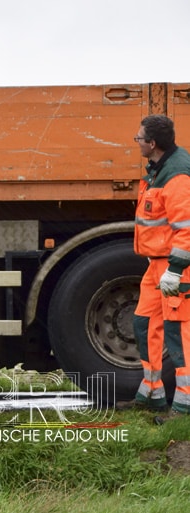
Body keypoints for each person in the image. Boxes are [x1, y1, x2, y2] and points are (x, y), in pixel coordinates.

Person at [122, 114, 190, 420]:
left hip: (176, 267)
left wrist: (175, 270)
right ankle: (151, 393)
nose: (137, 142)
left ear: (153, 143)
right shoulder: (161, 168)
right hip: (157, 265)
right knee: (144, 324)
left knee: (178, 332)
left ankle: (185, 405)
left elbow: (186, 229)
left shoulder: (176, 176)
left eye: (139, 138)